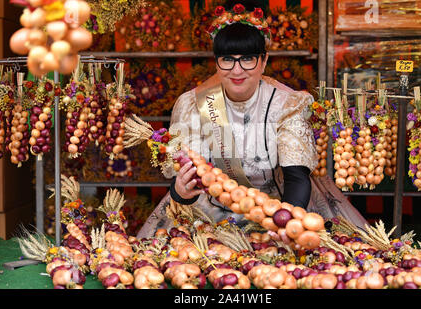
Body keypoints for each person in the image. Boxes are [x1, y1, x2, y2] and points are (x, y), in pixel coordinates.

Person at [137, 0, 367, 240]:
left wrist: (287, 225)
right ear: (216, 61)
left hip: (279, 210)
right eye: (227, 59)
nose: (237, 71)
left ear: (264, 60)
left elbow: (296, 177)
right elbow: (186, 181)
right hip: (209, 216)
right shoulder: (193, 104)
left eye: (247, 59)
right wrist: (181, 192)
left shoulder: (287, 104)